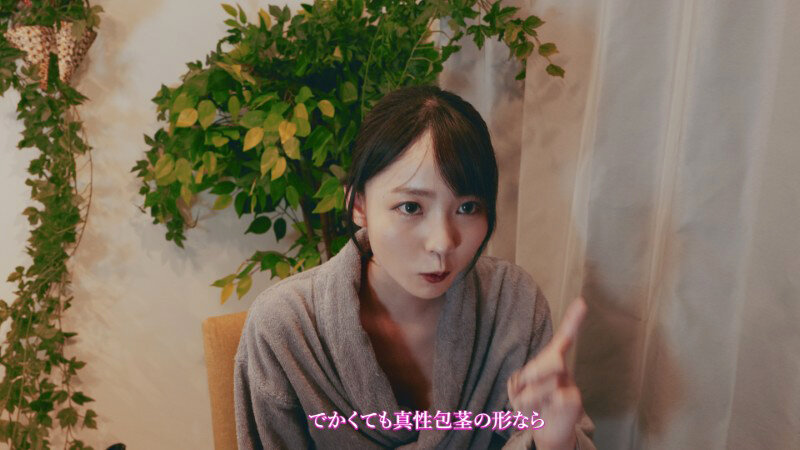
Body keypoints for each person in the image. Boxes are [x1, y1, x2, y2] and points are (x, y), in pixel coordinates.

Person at [234, 85, 596, 449]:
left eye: (467, 208)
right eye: (410, 207)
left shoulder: (512, 303)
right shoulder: (285, 327)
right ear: (358, 205)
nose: (442, 242)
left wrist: (555, 440)